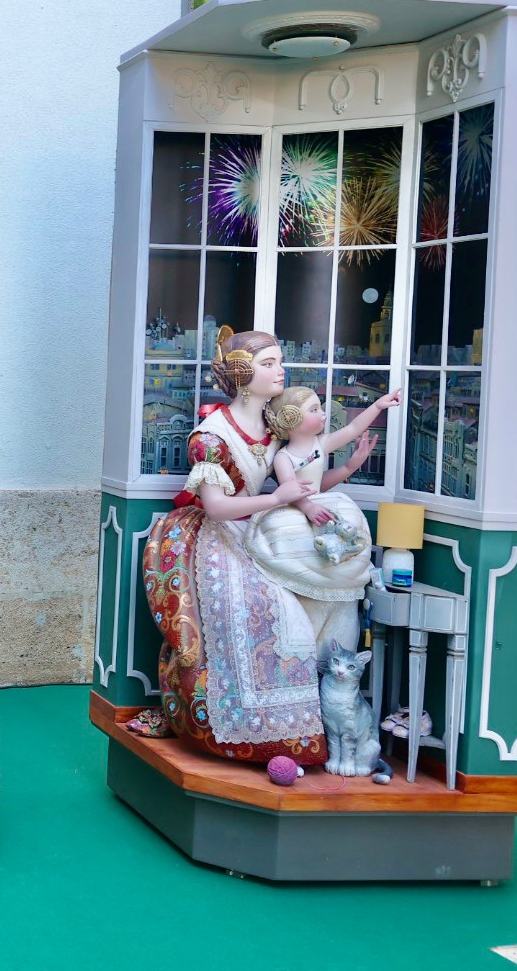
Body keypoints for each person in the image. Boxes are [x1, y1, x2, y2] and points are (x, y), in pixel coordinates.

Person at [142, 327, 374, 766]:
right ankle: (243, 725)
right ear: (242, 376)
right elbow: (215, 508)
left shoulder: (273, 426)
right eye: (269, 364)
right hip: (216, 536)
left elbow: (303, 481)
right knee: (263, 612)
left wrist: (345, 470)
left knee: (300, 618)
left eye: (280, 362)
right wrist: (276, 499)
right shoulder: (211, 436)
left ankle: (292, 728)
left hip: (256, 529)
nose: (281, 370)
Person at [247, 384, 401, 651]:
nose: (323, 414)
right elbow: (290, 490)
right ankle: (301, 638)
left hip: (320, 507)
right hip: (294, 515)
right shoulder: (283, 457)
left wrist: (377, 408)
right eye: (314, 409)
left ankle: (331, 639)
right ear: (292, 418)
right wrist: (306, 506)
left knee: (336, 559)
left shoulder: (321, 444)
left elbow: (352, 430)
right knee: (303, 577)